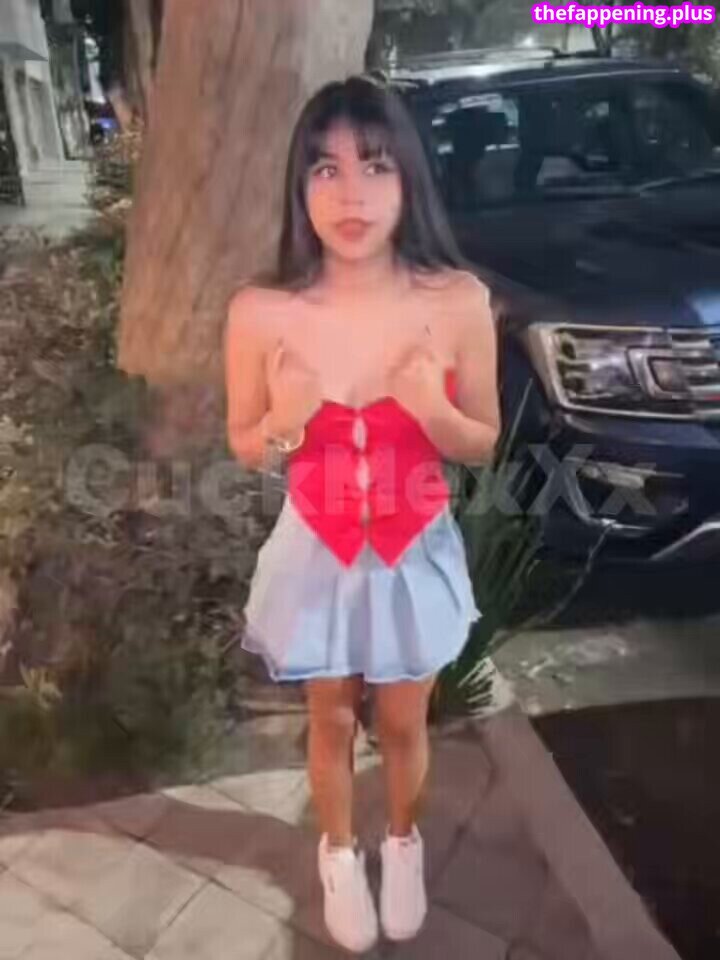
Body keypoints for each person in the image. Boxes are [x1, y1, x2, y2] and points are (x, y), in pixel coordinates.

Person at [224, 76, 500, 954]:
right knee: (332, 717)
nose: (351, 194)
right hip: (317, 545)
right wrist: (284, 421)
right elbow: (246, 444)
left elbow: (481, 441)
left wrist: (431, 409)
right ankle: (339, 853)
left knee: (405, 720)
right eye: (326, 169)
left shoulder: (456, 300)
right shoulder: (261, 311)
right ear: (299, 187)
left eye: (375, 166)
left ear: (409, 178)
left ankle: (403, 845)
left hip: (414, 546)